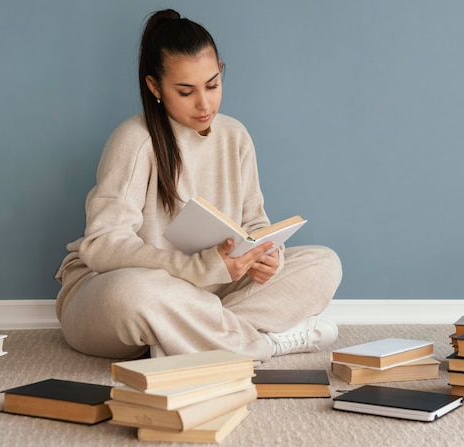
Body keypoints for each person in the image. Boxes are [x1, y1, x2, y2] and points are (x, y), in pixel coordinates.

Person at [54, 9, 342, 362]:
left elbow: (254, 224)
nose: (205, 103)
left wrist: (268, 258)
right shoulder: (134, 139)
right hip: (115, 291)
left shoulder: (235, 136)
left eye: (212, 85)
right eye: (186, 91)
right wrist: (197, 268)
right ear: (155, 86)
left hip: (210, 290)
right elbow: (101, 246)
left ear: (220, 70)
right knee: (134, 294)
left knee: (324, 264)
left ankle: (179, 337)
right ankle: (265, 344)